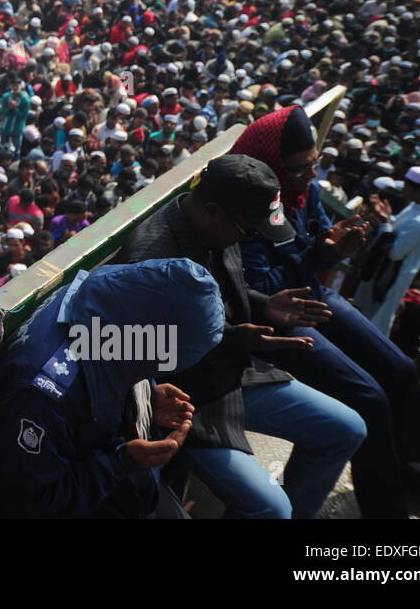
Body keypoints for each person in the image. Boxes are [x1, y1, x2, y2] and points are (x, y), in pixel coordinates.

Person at [232, 104, 420, 519]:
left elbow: (320, 232)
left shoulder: (303, 190)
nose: (310, 176)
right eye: (300, 168)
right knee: (367, 396)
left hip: (312, 293)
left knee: (401, 369)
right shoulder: (249, 201)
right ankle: (386, 506)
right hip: (276, 315)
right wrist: (319, 253)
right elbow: (262, 288)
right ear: (271, 164)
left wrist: (343, 238)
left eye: (314, 165)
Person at [121, 154, 366, 518]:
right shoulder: (152, 259)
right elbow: (146, 355)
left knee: (347, 429)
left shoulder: (219, 225)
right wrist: (233, 339)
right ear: (213, 211)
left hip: (235, 372)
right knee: (271, 508)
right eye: (248, 231)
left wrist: (264, 304)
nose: (250, 238)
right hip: (189, 398)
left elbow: (223, 290)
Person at [0, 258, 224, 519]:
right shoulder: (43, 394)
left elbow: (113, 370)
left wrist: (142, 399)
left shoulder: (104, 300)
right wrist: (122, 461)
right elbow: (33, 503)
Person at [353, 167, 420, 335]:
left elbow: (395, 252)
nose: (403, 189)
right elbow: (397, 227)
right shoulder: (417, 206)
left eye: (407, 186)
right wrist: (385, 217)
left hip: (390, 277)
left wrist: (385, 222)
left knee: (373, 320)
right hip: (382, 270)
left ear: (419, 191)